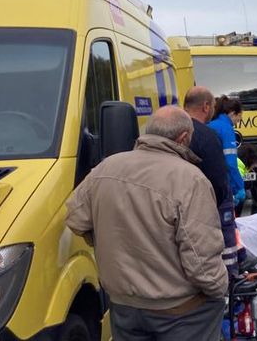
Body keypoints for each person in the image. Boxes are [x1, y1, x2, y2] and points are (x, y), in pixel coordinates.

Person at [66, 106, 227, 341]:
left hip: (123, 304)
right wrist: (220, 287)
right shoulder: (190, 179)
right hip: (180, 311)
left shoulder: (105, 168)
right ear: (183, 138)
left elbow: (75, 218)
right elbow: (202, 263)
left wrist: (104, 238)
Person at [183, 86, 240, 279]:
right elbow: (220, 172)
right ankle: (230, 281)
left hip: (180, 207)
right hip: (208, 204)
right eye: (213, 106)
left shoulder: (174, 131)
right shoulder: (208, 135)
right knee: (225, 242)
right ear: (206, 106)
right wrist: (230, 193)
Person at [208, 96, 247, 213]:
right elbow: (230, 163)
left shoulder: (211, 124)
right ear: (233, 113)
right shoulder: (226, 129)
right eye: (239, 117)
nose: (238, 122)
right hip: (222, 184)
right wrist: (239, 187)